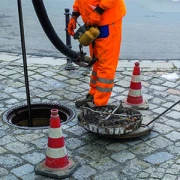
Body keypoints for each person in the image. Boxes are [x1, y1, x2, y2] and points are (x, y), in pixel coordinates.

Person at [68, 0, 126, 108]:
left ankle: (99, 103)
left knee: (105, 64)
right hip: (93, 22)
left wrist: (98, 12)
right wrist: (75, 15)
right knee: (96, 62)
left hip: (107, 21)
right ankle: (93, 94)